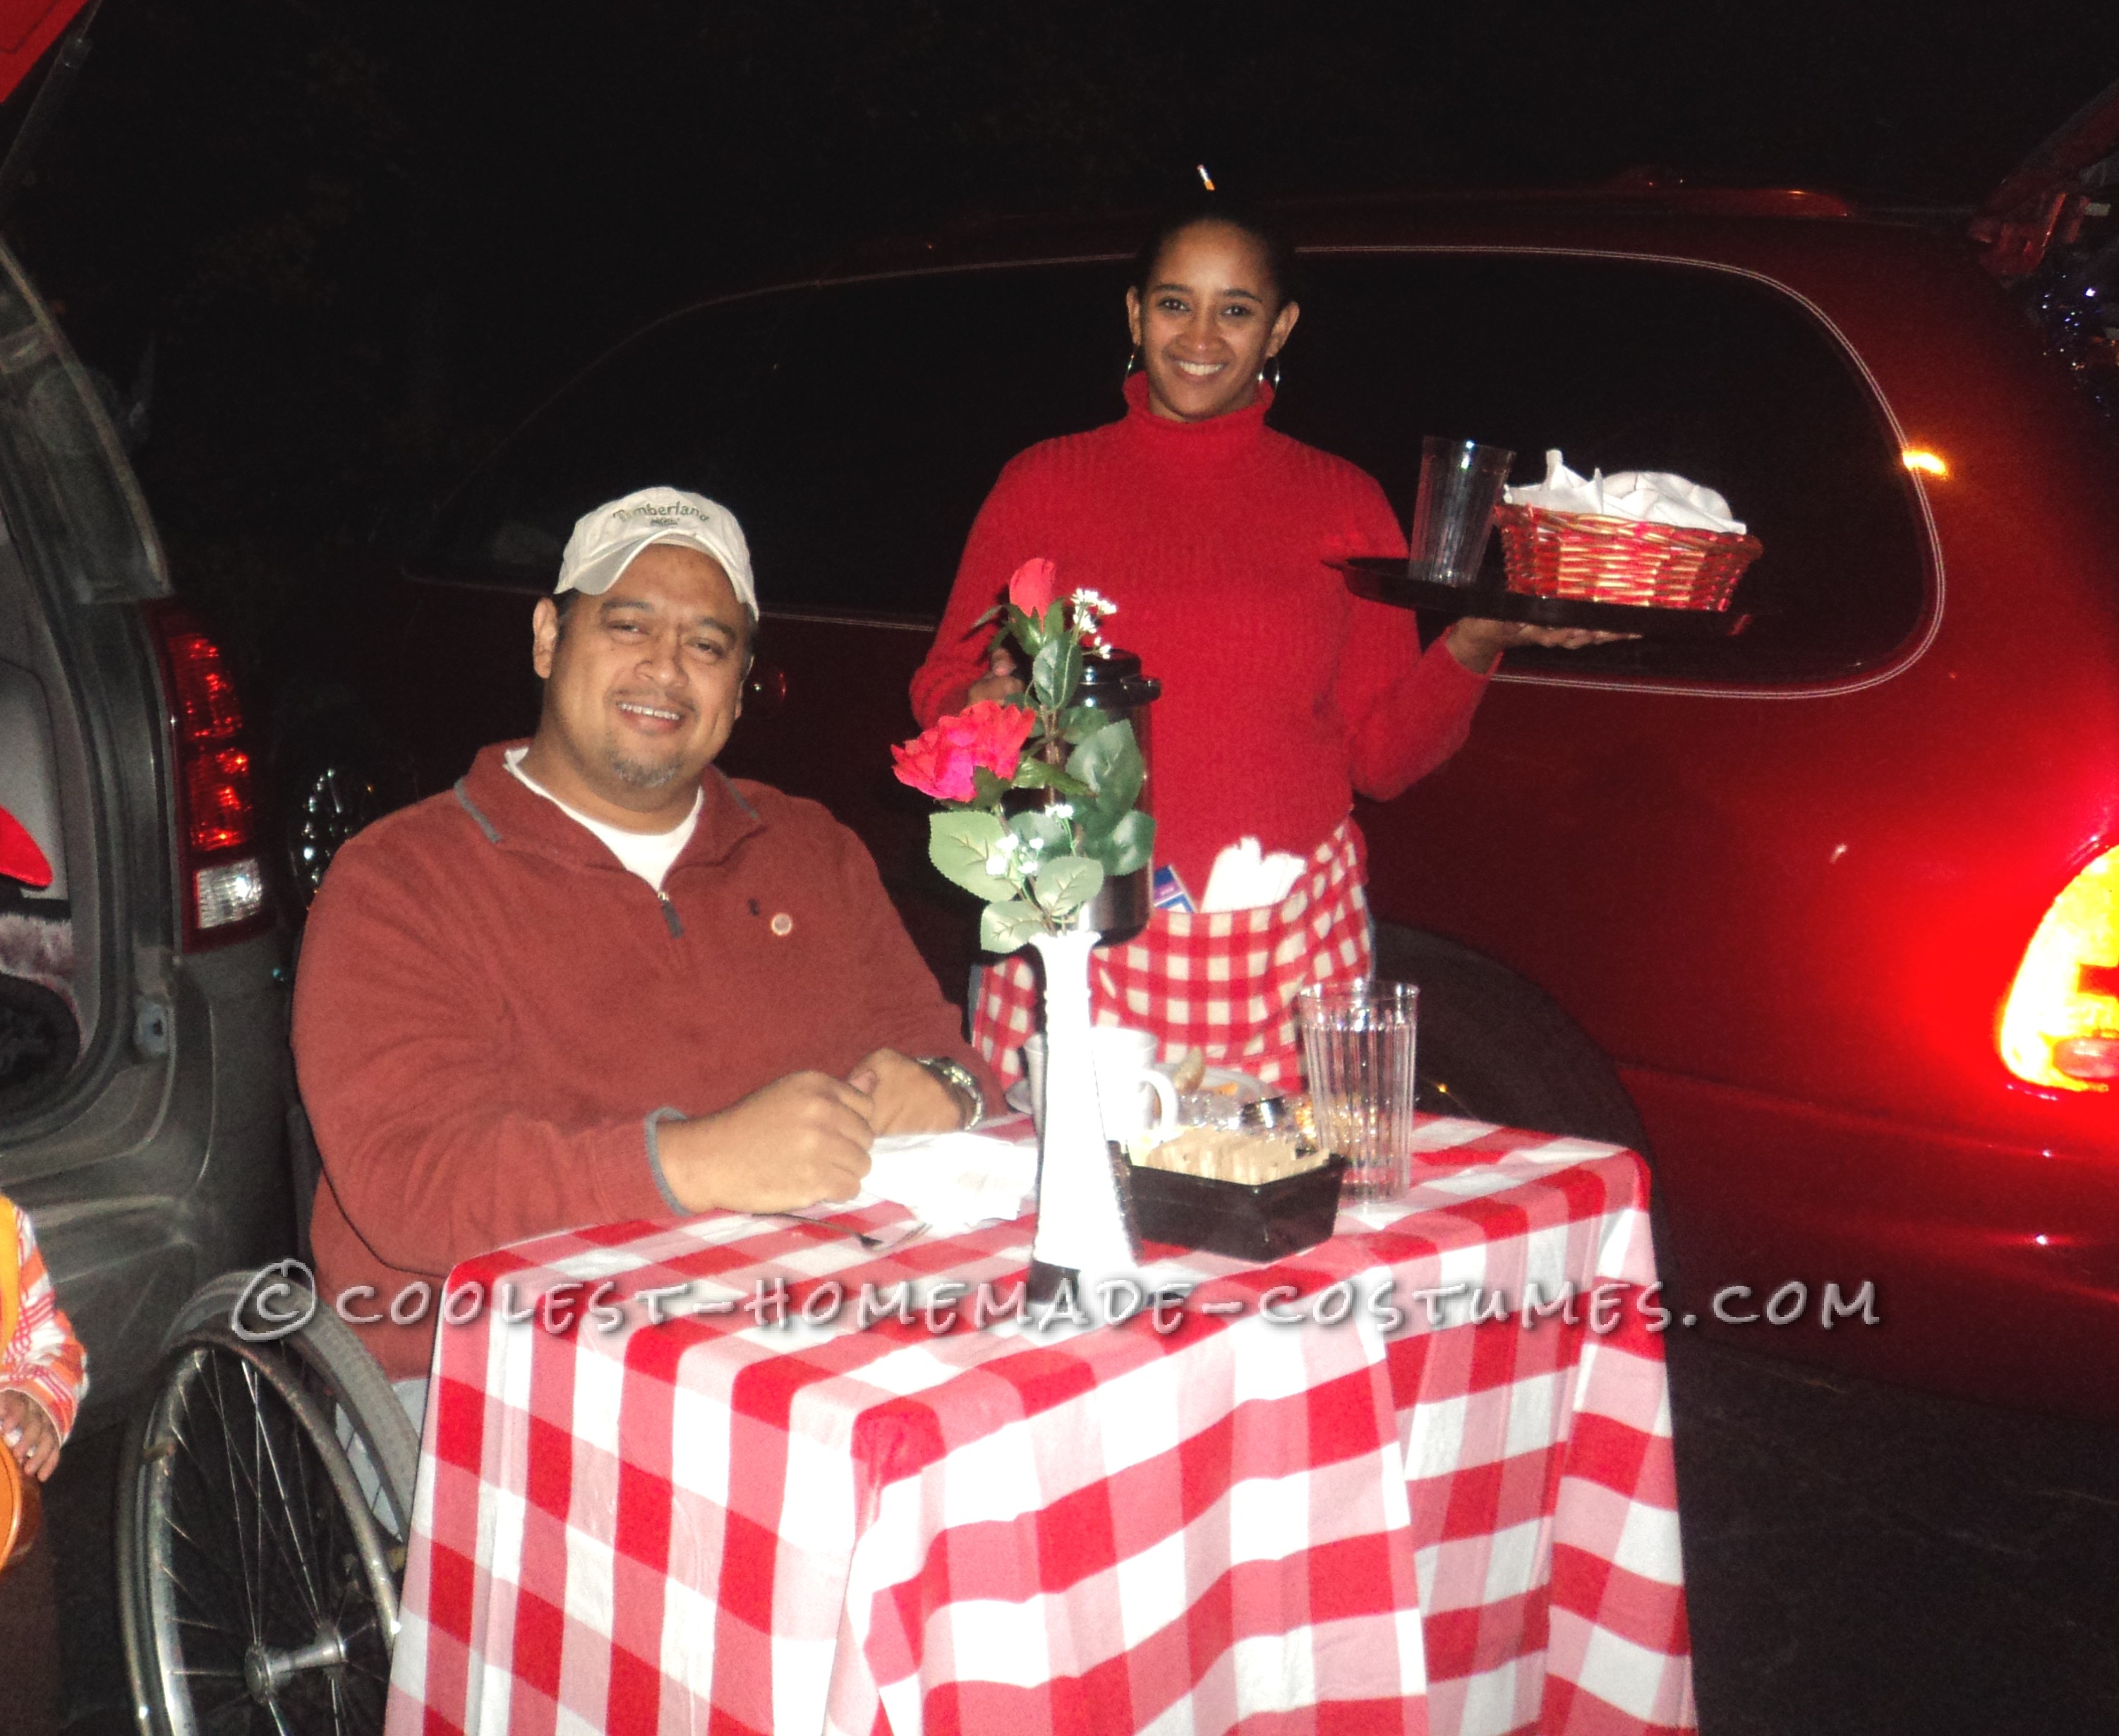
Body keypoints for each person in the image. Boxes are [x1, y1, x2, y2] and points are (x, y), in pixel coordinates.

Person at [295, 488, 997, 1390]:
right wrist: (696, 1161)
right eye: (628, 627)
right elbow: (413, 1183)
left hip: (804, 1336)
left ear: (740, 688)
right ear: (548, 639)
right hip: (502, 1378)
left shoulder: (811, 850)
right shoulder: (402, 879)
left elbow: (953, 1061)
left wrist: (943, 1093)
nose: (667, 668)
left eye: (708, 645)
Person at [911, 199, 1612, 1087]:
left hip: (1283, 945)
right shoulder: (1043, 481)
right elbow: (941, 683)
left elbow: (1385, 760)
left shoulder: (1342, 500)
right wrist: (979, 709)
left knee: (1284, 1212)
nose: (1199, 335)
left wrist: (1476, 641)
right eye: (1174, 303)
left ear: (1279, 328)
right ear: (1134, 313)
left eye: (1235, 310)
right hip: (1072, 926)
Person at [0, 1191, 87, 1736]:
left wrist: (37, 1399)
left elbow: (51, 1345)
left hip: (7, 1523)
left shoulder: (5, 1231)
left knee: (25, 1684)